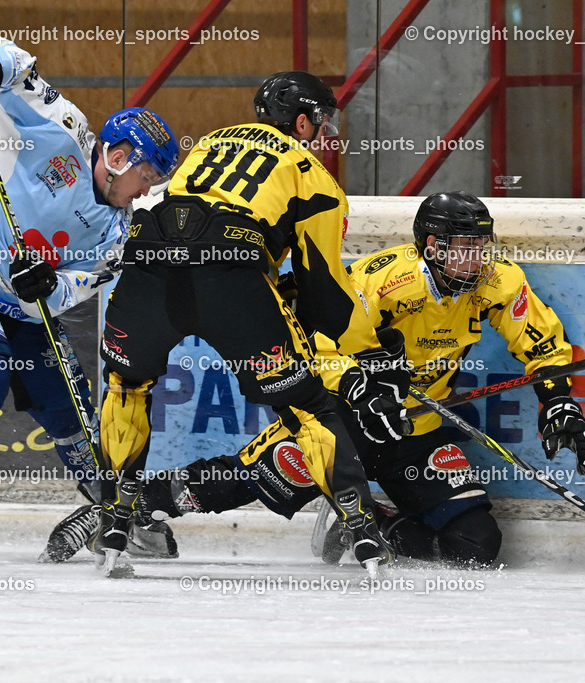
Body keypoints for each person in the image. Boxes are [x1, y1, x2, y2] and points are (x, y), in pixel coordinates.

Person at [47, 191, 585, 568]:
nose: (477, 259)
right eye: (464, 248)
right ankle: (128, 502)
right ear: (432, 246)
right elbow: (318, 340)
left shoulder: (497, 282)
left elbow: (542, 342)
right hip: (349, 419)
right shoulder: (384, 281)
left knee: (477, 544)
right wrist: (361, 383)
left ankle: (366, 522)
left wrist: (558, 401)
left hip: (420, 429)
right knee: (255, 478)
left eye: (482, 246)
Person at [86, 71, 397, 576]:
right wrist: (368, 355)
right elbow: (327, 296)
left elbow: (191, 225)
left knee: (126, 386)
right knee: (308, 403)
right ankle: (365, 538)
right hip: (231, 277)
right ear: (302, 122)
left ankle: (115, 529)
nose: (324, 133)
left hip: (148, 262)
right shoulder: (313, 175)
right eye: (320, 123)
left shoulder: (209, 142)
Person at [0, 36, 179, 565]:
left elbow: (69, 291)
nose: (146, 192)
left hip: (20, 307)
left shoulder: (119, 233)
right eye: (146, 178)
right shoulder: (62, 133)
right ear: (119, 158)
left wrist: (48, 287)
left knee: (71, 404)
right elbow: (7, 57)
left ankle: (112, 508)